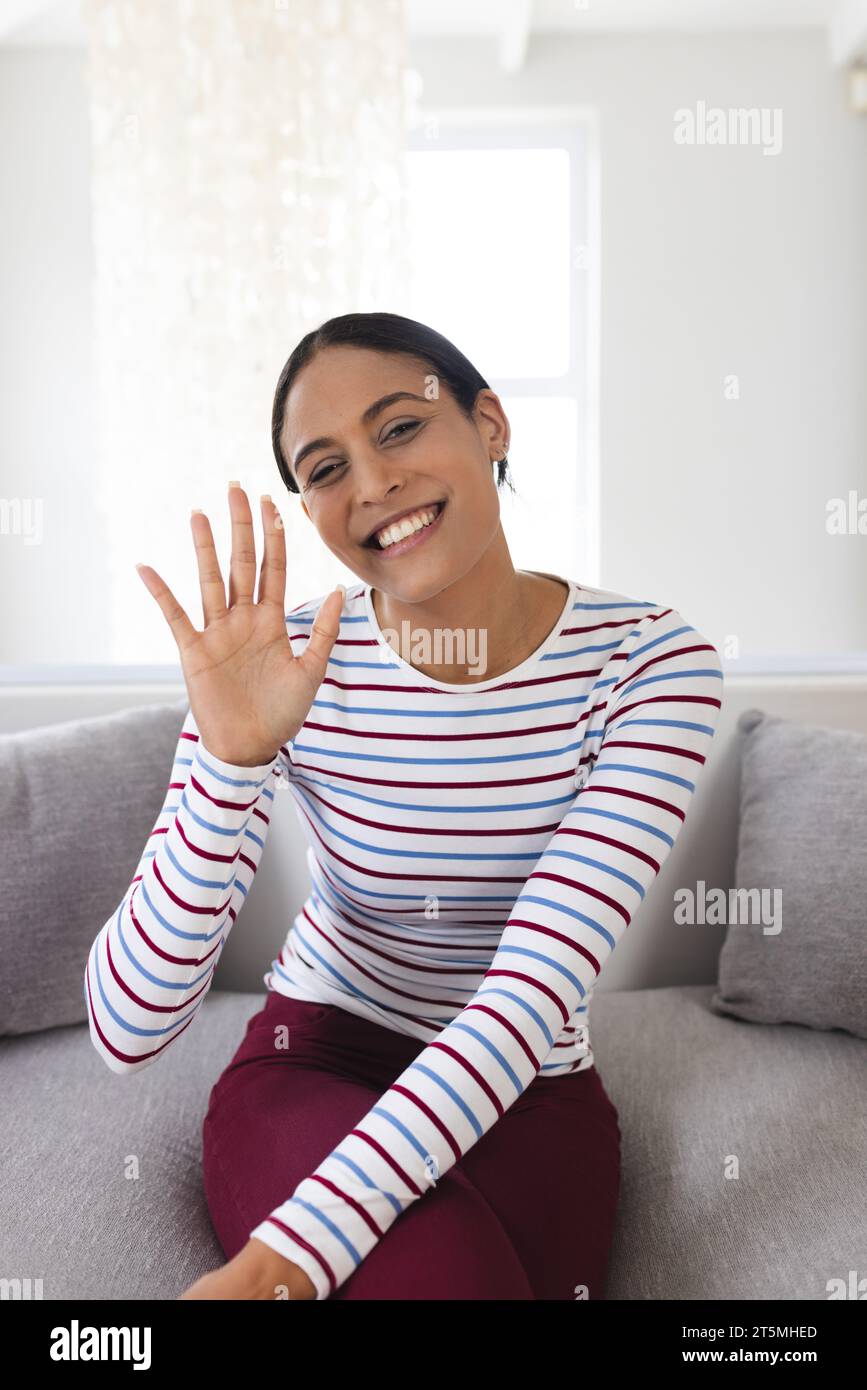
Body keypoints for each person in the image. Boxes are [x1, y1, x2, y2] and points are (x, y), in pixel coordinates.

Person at [84, 312, 724, 1300]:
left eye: (399, 427)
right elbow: (128, 1029)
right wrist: (231, 760)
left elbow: (528, 994)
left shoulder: (646, 663)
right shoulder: (280, 668)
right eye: (325, 467)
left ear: (491, 423)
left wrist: (281, 1264)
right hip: (319, 1054)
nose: (373, 484)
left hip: (528, 1087)